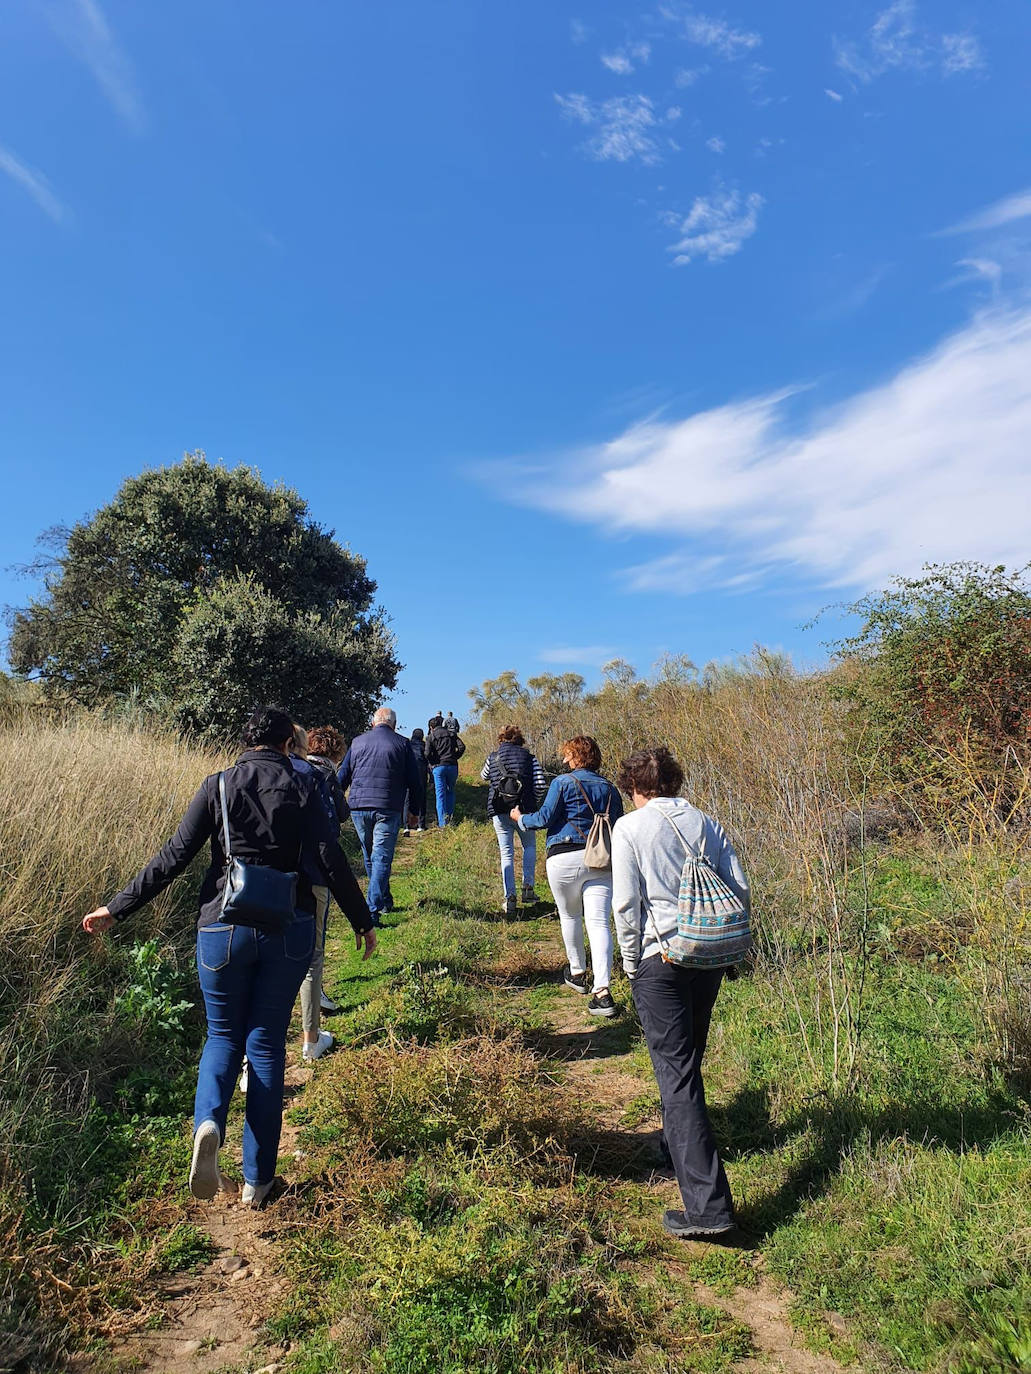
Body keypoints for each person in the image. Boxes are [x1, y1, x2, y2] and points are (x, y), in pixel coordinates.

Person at [82, 706, 376, 1209]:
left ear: (246, 742)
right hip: (288, 928)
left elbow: (173, 856)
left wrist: (117, 907)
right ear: (290, 743)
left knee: (222, 1036)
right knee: (264, 1046)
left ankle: (208, 1123)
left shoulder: (216, 785)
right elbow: (329, 855)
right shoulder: (306, 786)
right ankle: (256, 1181)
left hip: (221, 928)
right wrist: (362, 918)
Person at [611, 746, 749, 1242]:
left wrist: (629, 962)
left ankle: (709, 1208)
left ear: (634, 786)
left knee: (676, 1073)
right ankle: (676, 1148)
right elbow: (739, 886)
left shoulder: (630, 827)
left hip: (660, 958)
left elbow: (627, 904)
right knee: (689, 1058)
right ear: (673, 781)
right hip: (707, 956)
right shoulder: (707, 822)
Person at [512, 735, 623, 1017]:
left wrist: (520, 819)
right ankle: (603, 991)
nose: (564, 760)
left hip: (564, 857)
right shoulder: (610, 789)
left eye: (567, 755)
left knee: (570, 915)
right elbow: (620, 829)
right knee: (599, 922)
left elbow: (545, 818)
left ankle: (577, 973)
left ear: (575, 757)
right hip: (601, 860)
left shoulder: (562, 783)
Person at [337, 707, 423, 924]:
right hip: (388, 806)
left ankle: (383, 899)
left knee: (370, 856)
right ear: (394, 725)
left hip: (358, 807)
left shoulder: (357, 742)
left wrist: (336, 802)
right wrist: (414, 812)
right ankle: (372, 910)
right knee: (381, 857)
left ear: (372, 723)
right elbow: (415, 782)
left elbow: (342, 776)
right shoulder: (402, 744)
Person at [301, 724, 350, 1039]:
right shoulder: (325, 776)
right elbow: (340, 816)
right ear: (335, 752)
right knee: (314, 949)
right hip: (316, 872)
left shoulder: (292, 770)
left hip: (281, 873)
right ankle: (311, 1035)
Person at [481, 725, 546, 916]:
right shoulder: (529, 758)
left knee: (506, 853)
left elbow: (483, 776)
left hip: (499, 810)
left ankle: (509, 897)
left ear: (501, 739)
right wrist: (531, 800)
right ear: (519, 739)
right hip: (524, 811)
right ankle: (528, 888)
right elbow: (541, 784)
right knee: (530, 847)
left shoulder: (493, 757)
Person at [425, 713, 466, 828]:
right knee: (450, 791)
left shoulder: (431, 737)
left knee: (440, 795)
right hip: (452, 766)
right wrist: (455, 757)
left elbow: (427, 753)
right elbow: (462, 747)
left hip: (439, 767)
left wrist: (433, 762)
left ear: (431, 727)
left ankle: (443, 824)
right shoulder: (451, 734)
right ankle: (450, 818)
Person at [403, 727, 429, 836]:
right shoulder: (424, 745)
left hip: (408, 774)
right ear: (422, 736)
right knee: (421, 799)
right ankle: (421, 825)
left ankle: (405, 826)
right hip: (421, 774)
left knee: (407, 800)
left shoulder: (407, 745)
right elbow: (428, 759)